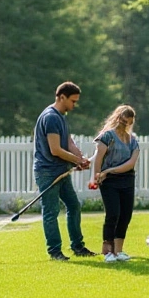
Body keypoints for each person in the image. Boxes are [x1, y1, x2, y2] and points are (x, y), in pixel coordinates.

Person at [33, 82, 97, 261]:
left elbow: (68, 143)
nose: (74, 105)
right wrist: (77, 161)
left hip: (61, 170)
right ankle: (55, 252)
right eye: (73, 101)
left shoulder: (61, 117)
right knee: (51, 211)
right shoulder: (50, 117)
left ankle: (78, 247)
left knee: (74, 205)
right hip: (48, 172)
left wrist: (80, 157)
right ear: (62, 97)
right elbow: (55, 150)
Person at [91, 105, 140, 263]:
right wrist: (97, 176)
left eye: (129, 123)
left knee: (125, 215)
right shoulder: (107, 136)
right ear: (118, 118)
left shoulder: (132, 141)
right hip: (109, 182)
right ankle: (108, 252)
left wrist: (110, 170)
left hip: (127, 179)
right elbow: (98, 158)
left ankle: (118, 251)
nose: (125, 125)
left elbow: (131, 163)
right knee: (113, 214)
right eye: (123, 121)